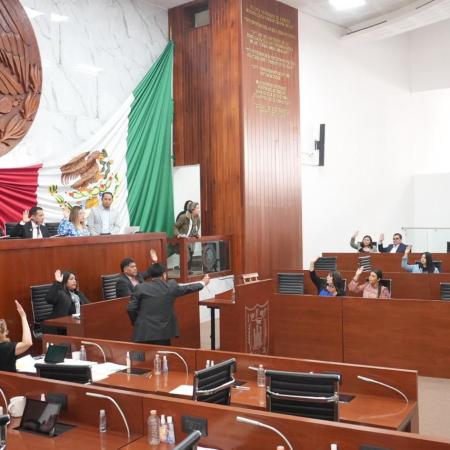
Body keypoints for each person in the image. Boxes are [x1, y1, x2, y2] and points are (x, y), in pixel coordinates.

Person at [127, 263, 209, 345]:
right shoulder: (170, 286)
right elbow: (188, 288)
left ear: (150, 275)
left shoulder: (140, 287)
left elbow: (131, 308)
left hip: (142, 332)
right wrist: (203, 283)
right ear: (164, 274)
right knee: (163, 353)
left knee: (143, 353)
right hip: (162, 333)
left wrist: (137, 322)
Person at [0, 300, 33, 372]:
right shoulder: (6, 348)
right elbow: (28, 343)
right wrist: (23, 317)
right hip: (7, 379)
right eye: (6, 330)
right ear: (4, 333)